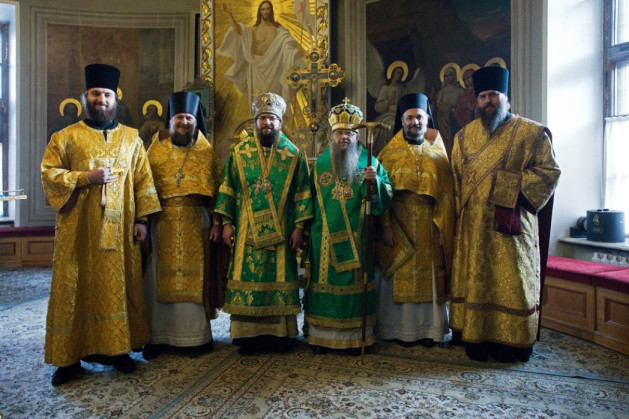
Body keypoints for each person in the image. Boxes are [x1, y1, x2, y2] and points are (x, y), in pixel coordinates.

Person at [41, 63, 161, 386]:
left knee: (117, 287)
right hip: (78, 232)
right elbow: (49, 174)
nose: (101, 100)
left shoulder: (132, 139)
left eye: (107, 94)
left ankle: (118, 351)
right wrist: (85, 178)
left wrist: (142, 220)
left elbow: (143, 180)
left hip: (120, 231)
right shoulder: (66, 137)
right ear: (86, 97)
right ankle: (68, 359)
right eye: (95, 94)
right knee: (74, 287)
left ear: (115, 99)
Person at [449, 66, 561, 363]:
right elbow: (456, 182)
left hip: (512, 228)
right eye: (483, 96)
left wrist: (507, 186)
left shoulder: (531, 133)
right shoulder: (463, 137)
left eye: (493, 95)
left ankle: (513, 344)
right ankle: (475, 338)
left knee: (513, 283)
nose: (488, 101)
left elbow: (550, 172)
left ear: (505, 97)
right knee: (478, 282)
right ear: (476, 100)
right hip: (474, 228)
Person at [213, 92, 313, 355]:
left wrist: (299, 228)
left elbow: (303, 193)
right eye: (262, 118)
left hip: (282, 232)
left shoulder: (293, 154)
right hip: (245, 232)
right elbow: (228, 189)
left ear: (280, 122)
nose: (267, 122)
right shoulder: (239, 153)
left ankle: (280, 335)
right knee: (248, 278)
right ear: (255, 122)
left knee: (278, 278)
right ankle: (246, 336)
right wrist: (226, 223)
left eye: (272, 118)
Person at [306, 99, 393, 355]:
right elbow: (307, 200)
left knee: (356, 286)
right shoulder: (320, 165)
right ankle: (321, 337)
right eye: (339, 132)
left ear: (357, 136)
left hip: (358, 236)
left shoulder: (371, 162)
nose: (344, 137)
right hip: (323, 238)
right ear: (332, 136)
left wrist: (376, 182)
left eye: (350, 133)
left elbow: (387, 196)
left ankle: (355, 338)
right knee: (324, 285)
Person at [142, 91, 222, 360]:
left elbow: (219, 188)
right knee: (155, 279)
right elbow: (144, 187)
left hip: (196, 221)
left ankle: (195, 338)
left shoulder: (206, 151)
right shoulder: (155, 150)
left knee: (196, 279)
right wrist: (143, 222)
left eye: (188, 118)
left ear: (196, 121)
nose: (184, 122)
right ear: (170, 121)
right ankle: (157, 338)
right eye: (179, 118)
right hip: (161, 222)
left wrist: (217, 222)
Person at [375, 93, 455, 347]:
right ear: (402, 121)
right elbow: (382, 192)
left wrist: (444, 228)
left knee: (429, 279)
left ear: (427, 118)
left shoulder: (438, 152)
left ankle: (428, 331)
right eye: (409, 118)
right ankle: (397, 330)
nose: (415, 122)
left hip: (430, 225)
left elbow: (447, 194)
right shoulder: (389, 153)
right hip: (399, 223)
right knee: (398, 275)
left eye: (419, 117)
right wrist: (385, 226)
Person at [217, 1, 303, 106]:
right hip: (256, 69)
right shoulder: (253, 30)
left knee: (273, 103)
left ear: (272, 11)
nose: (265, 11)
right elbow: (238, 30)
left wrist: (295, 53)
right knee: (258, 103)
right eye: (263, 9)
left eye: (267, 9)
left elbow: (288, 44)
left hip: (274, 69)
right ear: (259, 12)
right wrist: (230, 15)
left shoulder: (279, 30)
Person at [436, 65, 464, 157]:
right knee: (447, 139)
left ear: (454, 76)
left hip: (457, 117)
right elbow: (438, 104)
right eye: (446, 76)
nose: (448, 77)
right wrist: (445, 109)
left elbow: (464, 103)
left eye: (450, 75)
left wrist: (455, 109)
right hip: (444, 119)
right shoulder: (441, 92)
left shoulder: (459, 90)